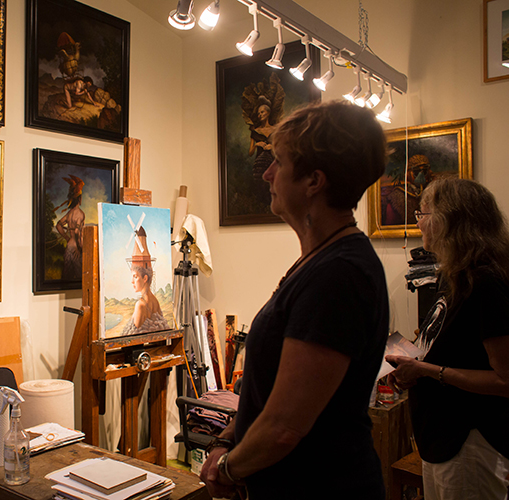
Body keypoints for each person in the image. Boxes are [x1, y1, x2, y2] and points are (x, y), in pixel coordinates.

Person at [200, 100, 390, 499]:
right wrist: (226, 439)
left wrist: (227, 472)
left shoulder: (340, 275)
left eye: (279, 163)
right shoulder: (321, 261)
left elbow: (285, 427)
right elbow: (267, 395)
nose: (267, 174)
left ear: (314, 181)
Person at [386, 178, 509, 500]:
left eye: (422, 213)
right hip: (441, 439)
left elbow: (505, 380)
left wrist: (428, 372)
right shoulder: (456, 275)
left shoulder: (486, 283)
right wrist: (410, 367)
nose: (418, 222)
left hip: (469, 441)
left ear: (447, 220)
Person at [122, 227, 169, 336]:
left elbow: (133, 337)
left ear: (145, 278)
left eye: (135, 276)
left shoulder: (140, 305)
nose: (132, 281)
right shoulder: (155, 301)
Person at [54, 175, 85, 280]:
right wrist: (79, 248)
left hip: (69, 247)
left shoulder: (69, 213)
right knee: (80, 278)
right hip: (76, 249)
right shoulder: (80, 214)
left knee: (67, 276)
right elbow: (77, 231)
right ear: (79, 199)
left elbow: (58, 225)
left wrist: (67, 238)